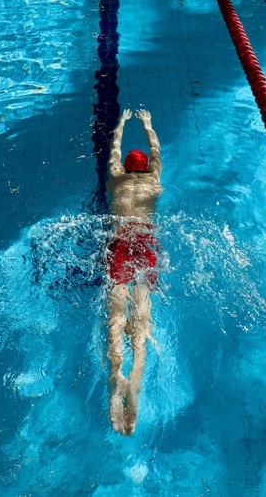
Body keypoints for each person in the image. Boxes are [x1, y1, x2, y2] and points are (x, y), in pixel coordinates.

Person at [105, 108, 162, 435]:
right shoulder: (153, 179)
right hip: (146, 242)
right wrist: (148, 124)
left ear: (126, 167)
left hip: (120, 241)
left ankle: (117, 375)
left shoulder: (116, 176)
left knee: (116, 315)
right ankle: (136, 381)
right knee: (142, 314)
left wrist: (122, 123)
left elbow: (114, 148)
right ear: (147, 169)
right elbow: (156, 151)